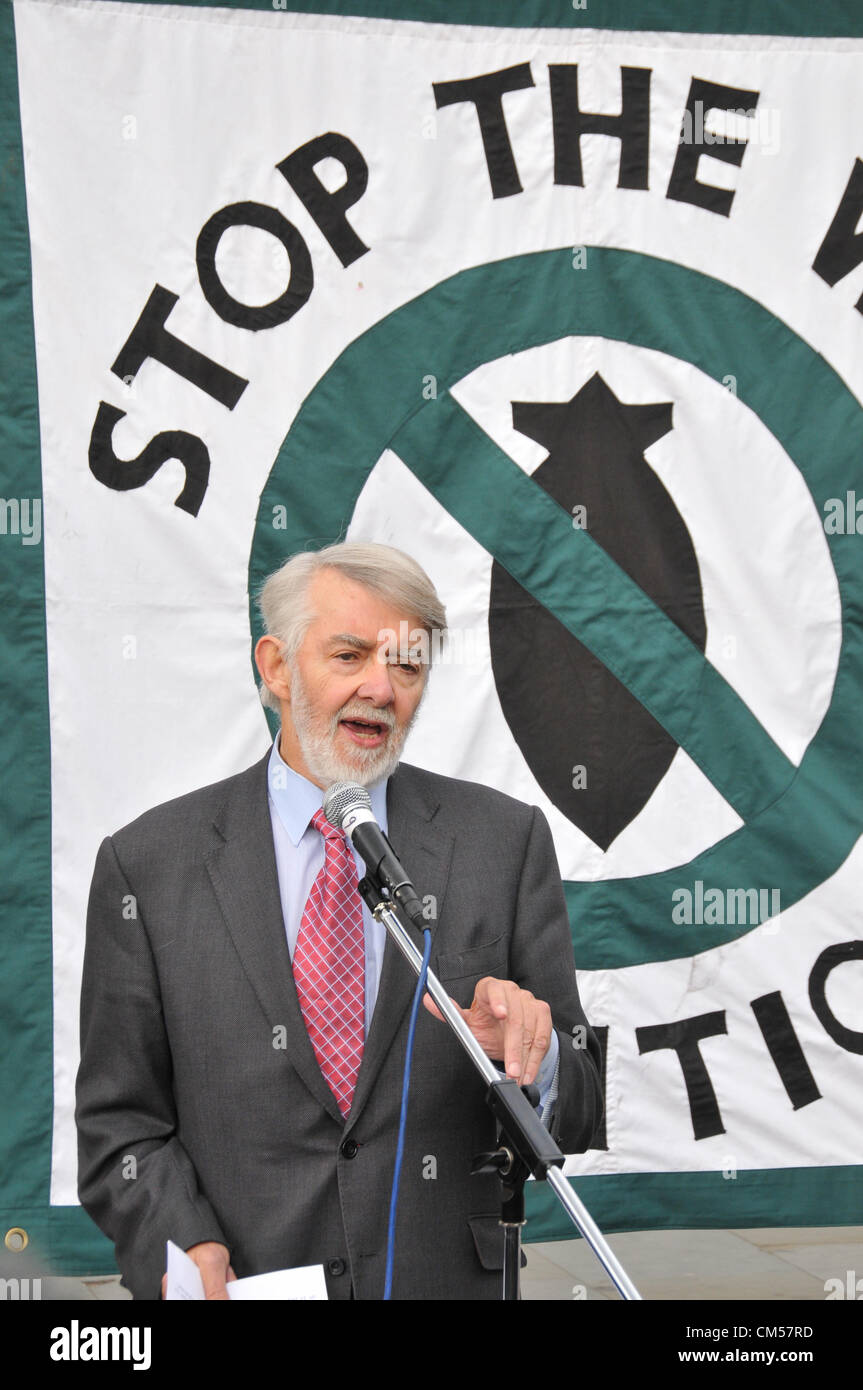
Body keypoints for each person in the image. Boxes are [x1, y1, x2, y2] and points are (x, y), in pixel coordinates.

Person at [76, 541, 603, 1300]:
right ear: (277, 667)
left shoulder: (502, 842)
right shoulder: (148, 867)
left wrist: (542, 1052)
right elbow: (119, 1124)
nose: (380, 689)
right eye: (350, 655)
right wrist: (185, 1243)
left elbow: (580, 1100)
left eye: (407, 666)